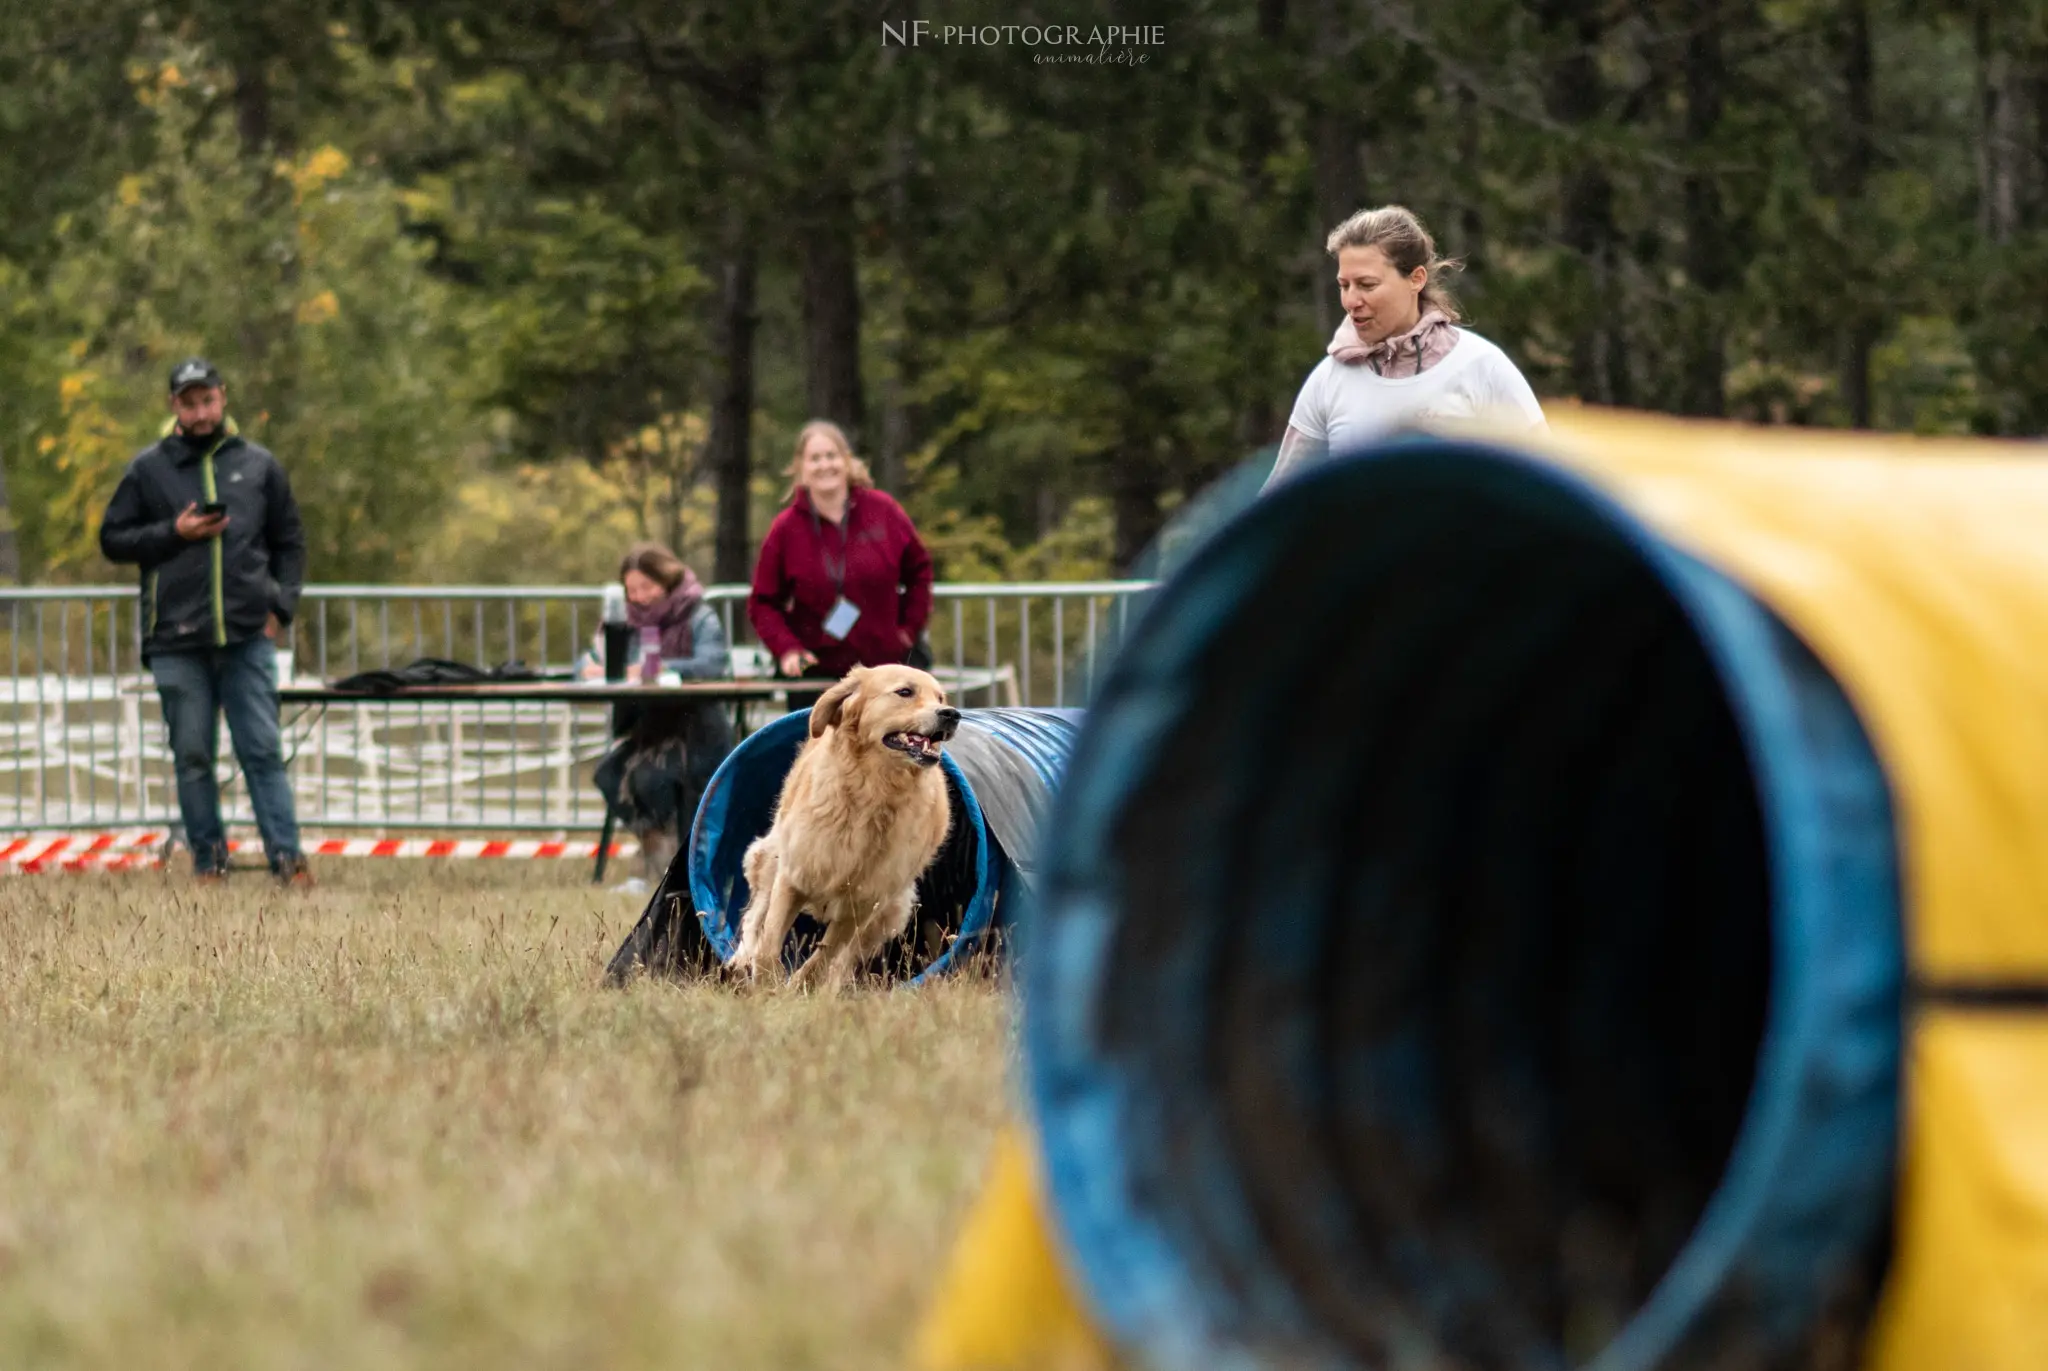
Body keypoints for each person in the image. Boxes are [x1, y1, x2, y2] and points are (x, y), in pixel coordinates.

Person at [98, 357, 310, 882]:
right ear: (174, 406)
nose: (200, 411)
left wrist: (280, 608)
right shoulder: (148, 469)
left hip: (246, 637)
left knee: (261, 750)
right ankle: (208, 861)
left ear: (223, 397)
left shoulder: (259, 465)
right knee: (193, 756)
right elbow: (113, 539)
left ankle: (288, 857)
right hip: (175, 640)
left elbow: (290, 542)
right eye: (189, 403)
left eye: (207, 400)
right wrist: (175, 533)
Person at [1263, 205, 1546, 492]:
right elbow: (1279, 504)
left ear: (1416, 279)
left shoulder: (1482, 366)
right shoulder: (1327, 380)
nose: (1351, 300)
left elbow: (1547, 484)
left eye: (1366, 284)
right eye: (1344, 285)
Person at [748, 420, 935, 712]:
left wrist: (909, 629)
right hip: (819, 678)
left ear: (846, 461)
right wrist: (788, 649)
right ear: (800, 467)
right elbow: (763, 602)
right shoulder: (785, 529)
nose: (825, 465)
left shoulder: (883, 511)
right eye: (815, 458)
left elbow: (920, 571)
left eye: (832, 456)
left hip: (888, 671)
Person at [581, 541, 735, 883]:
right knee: (609, 773)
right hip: (646, 729)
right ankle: (658, 856)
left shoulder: (698, 614)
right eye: (631, 589)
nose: (639, 597)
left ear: (666, 581)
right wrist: (593, 667)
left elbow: (712, 663)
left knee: (652, 779)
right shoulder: (621, 621)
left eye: (646, 587)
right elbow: (591, 659)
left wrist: (656, 669)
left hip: (697, 730)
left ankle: (677, 865)